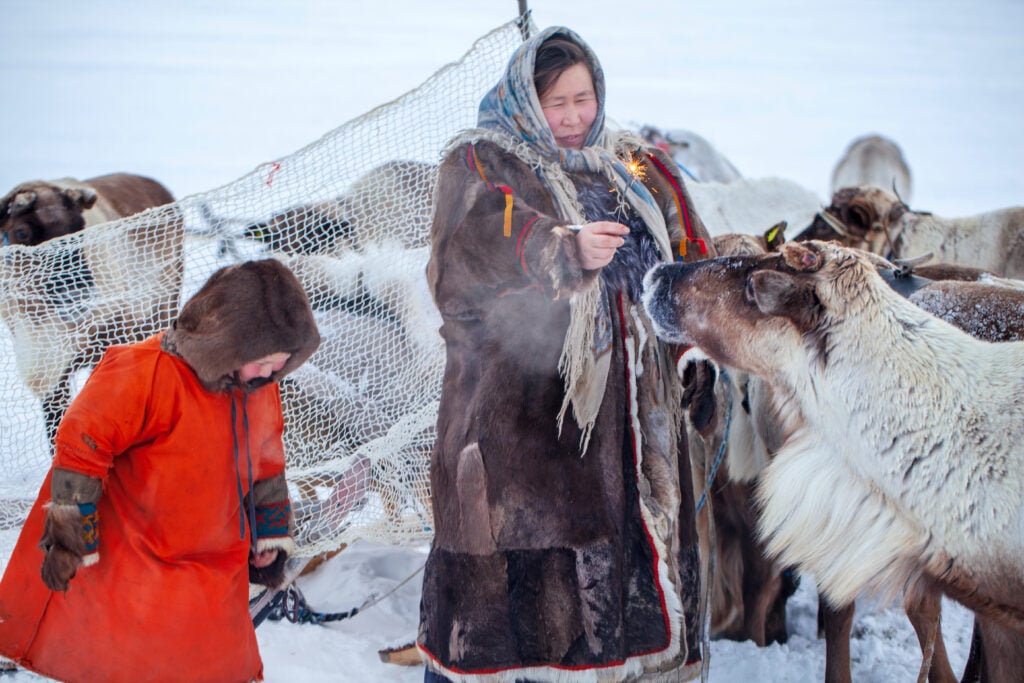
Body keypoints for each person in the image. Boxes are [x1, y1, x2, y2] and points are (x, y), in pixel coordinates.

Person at [418, 26, 715, 683]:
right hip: (517, 427)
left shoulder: (628, 169)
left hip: (626, 423)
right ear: (526, 101)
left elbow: (685, 261)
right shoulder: (480, 162)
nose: (575, 116)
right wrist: (559, 246)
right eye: (557, 103)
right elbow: (471, 245)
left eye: (584, 98)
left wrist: (696, 344)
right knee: (515, 603)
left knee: (611, 590)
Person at [0, 258, 320, 683]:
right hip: (139, 552)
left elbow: (268, 463)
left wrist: (270, 536)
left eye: (280, 363)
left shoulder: (258, 387)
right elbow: (82, 443)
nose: (271, 373)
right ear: (228, 341)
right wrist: (70, 536)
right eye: (263, 361)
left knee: (219, 663)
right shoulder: (146, 371)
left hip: (214, 558)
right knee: (134, 662)